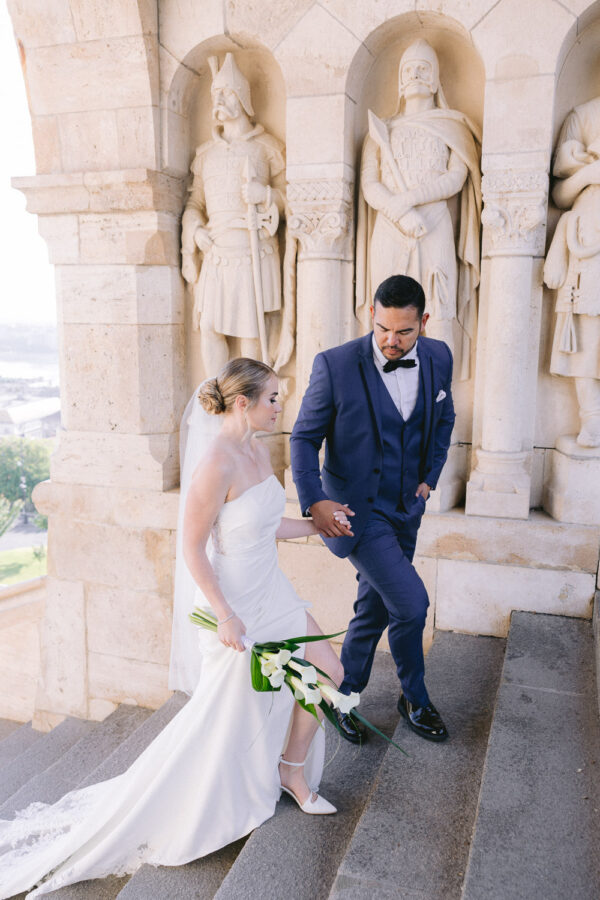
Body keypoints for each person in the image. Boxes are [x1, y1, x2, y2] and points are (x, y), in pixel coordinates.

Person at [0, 359, 344, 899]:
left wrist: (316, 526)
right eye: (273, 398)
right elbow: (191, 547)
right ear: (241, 403)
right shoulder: (215, 461)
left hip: (274, 593)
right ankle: (211, 795)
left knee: (328, 670)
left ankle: (290, 771)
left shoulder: (257, 449)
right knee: (227, 712)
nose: (281, 406)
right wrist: (225, 614)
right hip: (237, 605)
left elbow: (261, 522)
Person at [291, 275, 454, 744]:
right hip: (356, 513)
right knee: (411, 603)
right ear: (371, 313)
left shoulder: (439, 355)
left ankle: (343, 692)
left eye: (404, 332)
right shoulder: (336, 365)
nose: (391, 340)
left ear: (422, 322)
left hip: (408, 506)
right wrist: (315, 500)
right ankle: (414, 699)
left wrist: (430, 477)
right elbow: (303, 438)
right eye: (383, 328)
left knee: (375, 605)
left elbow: (444, 417)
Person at [356, 39, 480, 381]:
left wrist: (408, 201)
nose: (415, 74)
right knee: (387, 315)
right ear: (399, 79)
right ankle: (384, 397)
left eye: (424, 68)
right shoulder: (381, 130)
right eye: (408, 69)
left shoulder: (453, 125)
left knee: (439, 309)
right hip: (390, 228)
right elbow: (370, 185)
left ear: (436, 77)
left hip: (433, 223)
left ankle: (438, 400)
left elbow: (456, 178)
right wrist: (399, 211)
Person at [181, 53, 295, 374]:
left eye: (227, 92)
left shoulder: (268, 148)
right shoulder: (205, 156)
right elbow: (194, 204)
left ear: (243, 98)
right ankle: (215, 401)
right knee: (210, 329)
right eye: (215, 94)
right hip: (216, 250)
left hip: (253, 248)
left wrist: (267, 194)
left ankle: (251, 407)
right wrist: (195, 231)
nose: (219, 99)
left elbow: (293, 201)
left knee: (251, 332)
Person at [543, 95, 600, 447]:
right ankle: (591, 417)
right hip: (588, 238)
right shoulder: (583, 115)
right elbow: (560, 195)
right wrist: (589, 174)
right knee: (587, 336)